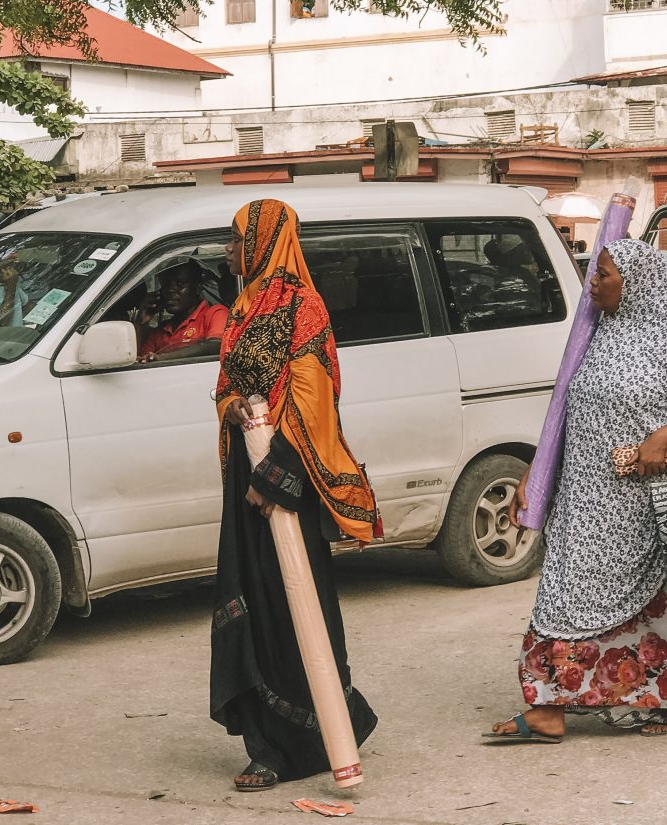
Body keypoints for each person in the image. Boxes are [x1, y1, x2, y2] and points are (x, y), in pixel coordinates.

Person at [488, 239, 667, 742]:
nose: (594, 283)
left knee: (659, 601)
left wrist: (666, 434)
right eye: (593, 273)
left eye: (603, 273)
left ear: (638, 283)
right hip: (583, 498)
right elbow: (566, 413)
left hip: (646, 504)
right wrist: (536, 473)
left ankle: (660, 698)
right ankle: (547, 707)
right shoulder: (592, 336)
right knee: (564, 591)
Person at [213, 198, 379, 791]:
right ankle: (267, 743)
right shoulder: (244, 306)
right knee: (249, 598)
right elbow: (230, 383)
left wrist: (275, 479)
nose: (227, 250)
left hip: (287, 477)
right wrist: (230, 406)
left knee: (294, 603)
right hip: (246, 472)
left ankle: (315, 735)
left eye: (235, 240)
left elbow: (314, 396)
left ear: (264, 242)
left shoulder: (301, 306)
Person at [135, 259, 227, 362]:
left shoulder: (215, 313)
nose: (170, 290)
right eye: (166, 284)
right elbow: (140, 361)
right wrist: (141, 322)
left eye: (180, 284)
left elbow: (216, 345)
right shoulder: (160, 331)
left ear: (197, 288)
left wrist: (162, 358)